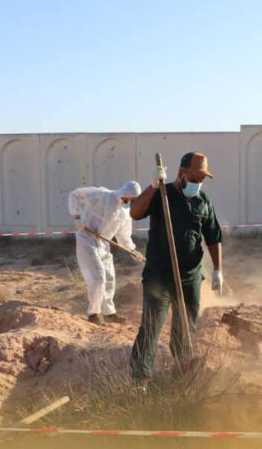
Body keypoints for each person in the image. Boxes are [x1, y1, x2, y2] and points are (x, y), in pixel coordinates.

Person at [129, 152, 223, 382]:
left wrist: (218, 270)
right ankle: (140, 380)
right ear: (181, 174)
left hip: (190, 278)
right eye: (194, 178)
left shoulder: (203, 202)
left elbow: (213, 237)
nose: (198, 183)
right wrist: (152, 186)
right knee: (151, 327)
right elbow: (135, 212)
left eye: (202, 179)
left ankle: (183, 375)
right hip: (159, 277)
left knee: (186, 329)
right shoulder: (162, 193)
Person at [68, 181, 142, 325]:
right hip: (87, 239)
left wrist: (131, 249)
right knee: (98, 278)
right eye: (130, 198)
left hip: (104, 244)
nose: (130, 201)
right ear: (125, 193)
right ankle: (93, 314)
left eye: (133, 200)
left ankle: (109, 313)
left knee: (109, 278)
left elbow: (124, 236)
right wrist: (77, 216)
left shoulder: (125, 213)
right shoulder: (102, 194)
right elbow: (75, 195)